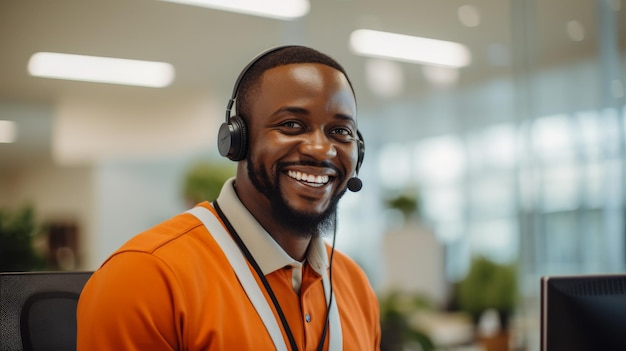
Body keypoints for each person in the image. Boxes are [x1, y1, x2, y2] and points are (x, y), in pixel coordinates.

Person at [76, 45, 381, 351]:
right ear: (238, 140)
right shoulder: (146, 277)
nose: (321, 149)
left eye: (340, 131)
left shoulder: (354, 284)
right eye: (291, 125)